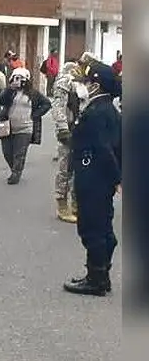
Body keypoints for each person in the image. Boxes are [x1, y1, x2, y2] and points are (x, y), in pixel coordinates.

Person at [62, 61, 122, 296]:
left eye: (86, 82)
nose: (82, 85)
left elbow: (104, 148)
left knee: (92, 227)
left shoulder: (98, 111)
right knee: (102, 225)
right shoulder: (106, 108)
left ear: (96, 85)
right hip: (100, 176)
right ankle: (100, 275)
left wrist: (116, 178)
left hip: (94, 176)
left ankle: (96, 279)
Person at [0, 68, 51, 185]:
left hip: (25, 128)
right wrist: (10, 88)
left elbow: (47, 104)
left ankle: (16, 173)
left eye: (21, 78)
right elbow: (0, 100)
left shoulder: (33, 94)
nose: (18, 81)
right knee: (7, 152)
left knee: (19, 153)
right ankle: (14, 169)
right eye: (15, 78)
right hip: (7, 127)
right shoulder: (10, 92)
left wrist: (35, 115)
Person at [51, 60, 82, 222]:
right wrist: (63, 129)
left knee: (78, 169)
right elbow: (58, 107)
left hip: (80, 129)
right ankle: (62, 206)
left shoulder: (81, 83)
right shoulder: (65, 83)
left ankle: (76, 204)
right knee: (66, 169)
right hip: (69, 130)